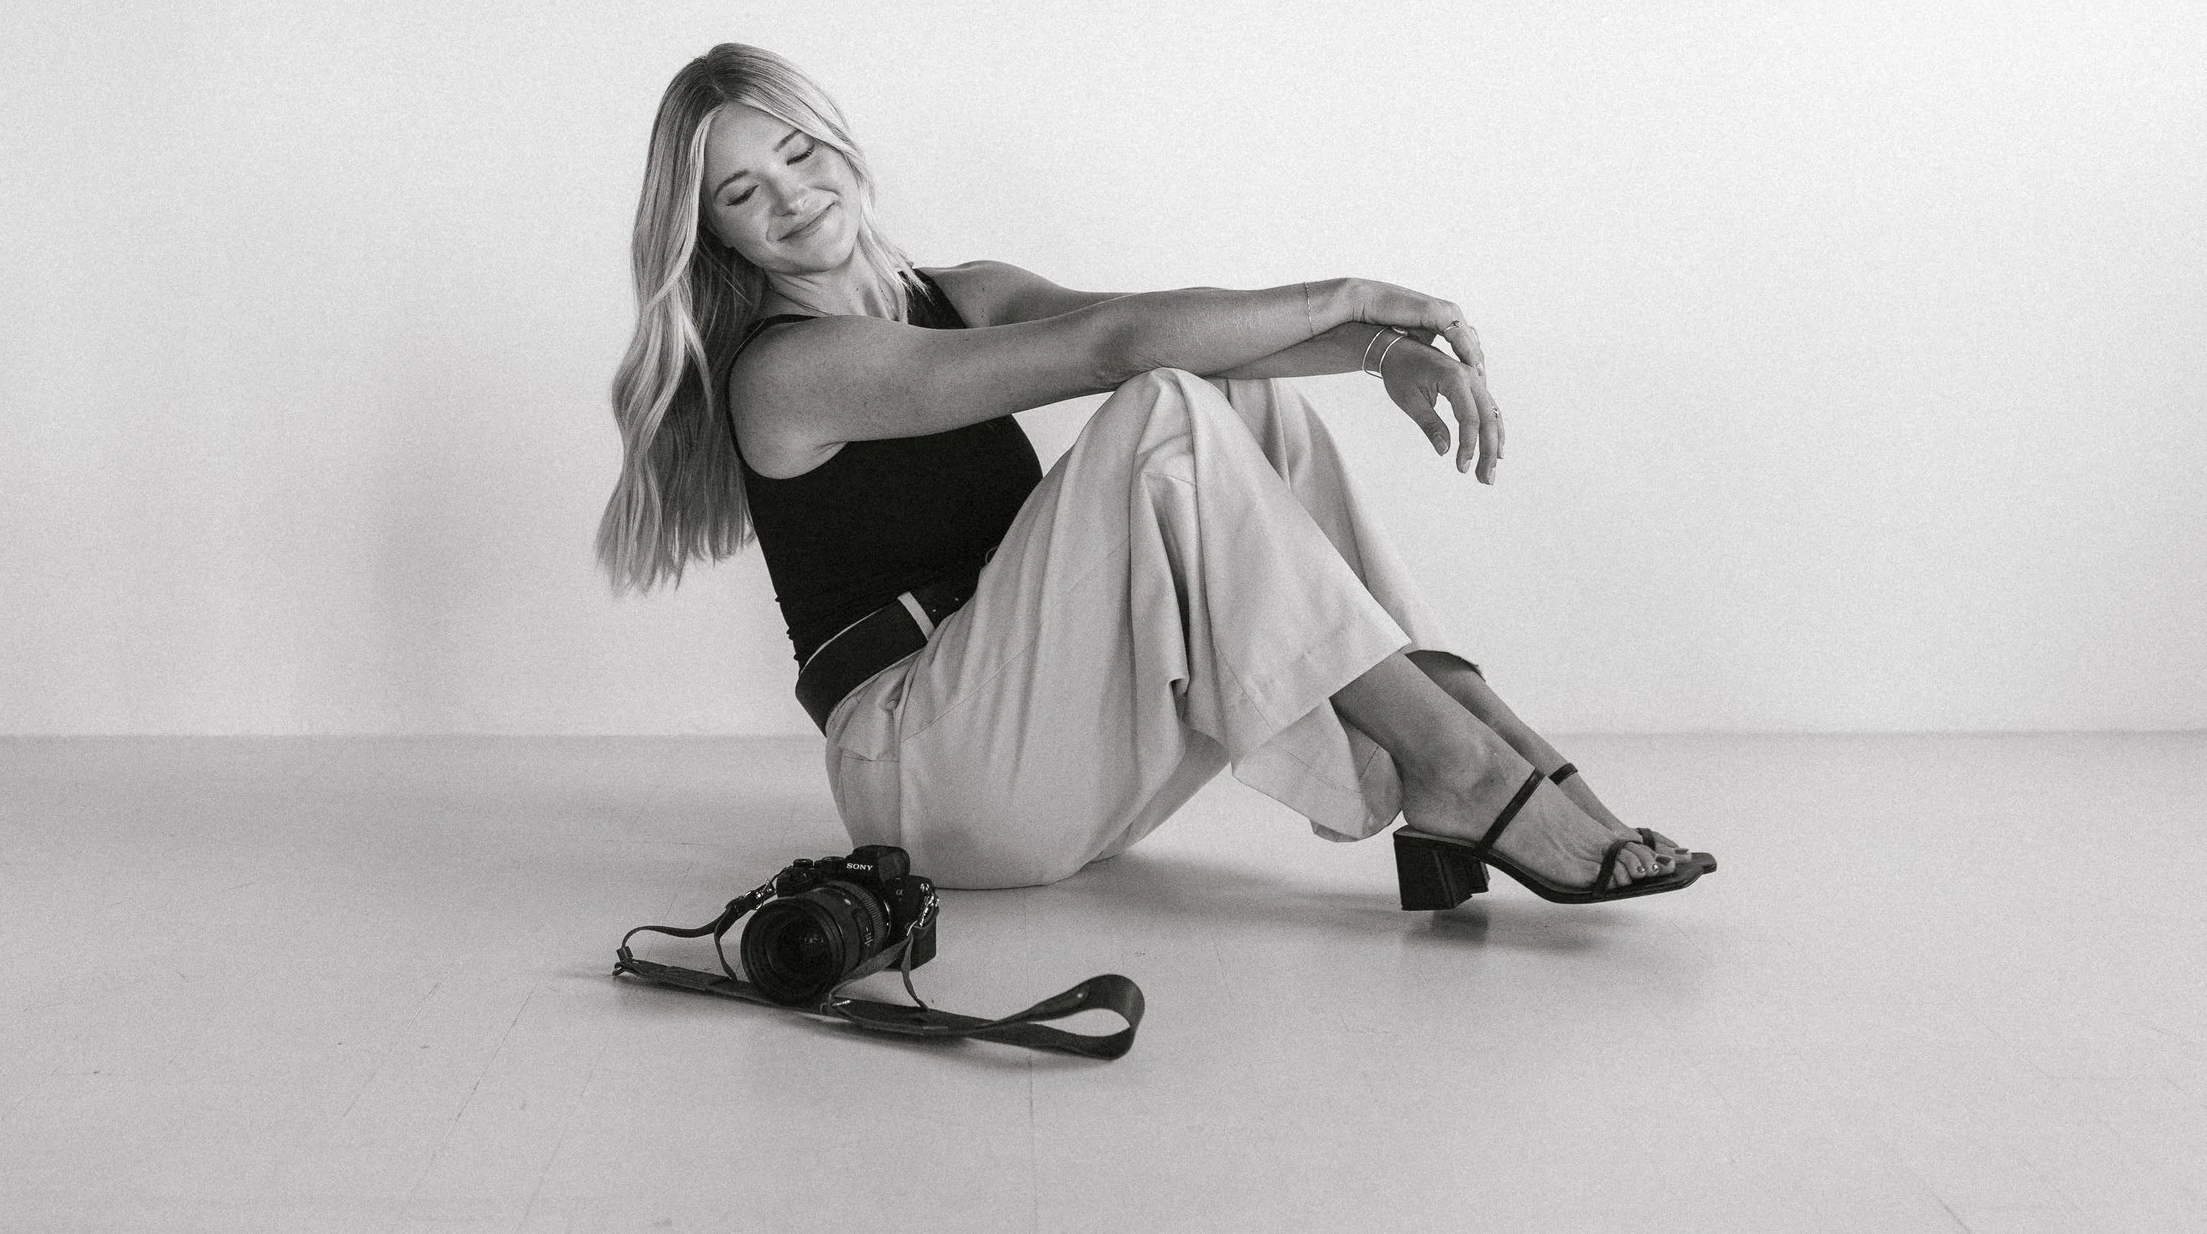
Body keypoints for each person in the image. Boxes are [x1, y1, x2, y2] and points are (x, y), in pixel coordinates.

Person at [597, 44, 1709, 905]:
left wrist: (1380, 352)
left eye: (795, 153)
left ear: (838, 143)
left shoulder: (963, 293)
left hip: (1054, 754)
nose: (789, 196)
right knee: (1168, 406)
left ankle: (1477, 742)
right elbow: (1114, 350)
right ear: (716, 238)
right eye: (742, 194)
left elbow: (1163, 332)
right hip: (931, 786)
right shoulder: (789, 372)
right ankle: (1457, 768)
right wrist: (1353, 296)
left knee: (1230, 392)